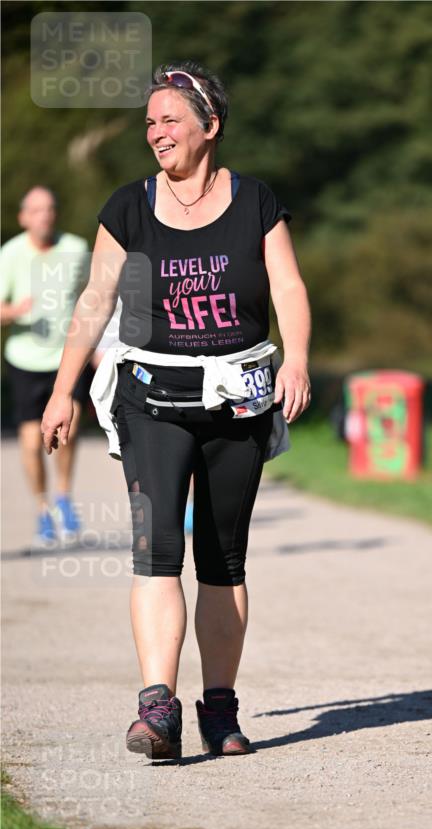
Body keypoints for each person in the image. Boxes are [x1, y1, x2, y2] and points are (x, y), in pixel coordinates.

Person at [41, 61, 311, 759]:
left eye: (170, 119)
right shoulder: (128, 207)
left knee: (222, 559)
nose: (156, 132)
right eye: (149, 122)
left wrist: (298, 359)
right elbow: (96, 300)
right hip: (151, 399)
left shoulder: (255, 201)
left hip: (238, 401)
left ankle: (219, 710)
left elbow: (286, 286)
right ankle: (157, 710)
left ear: (209, 126)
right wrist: (63, 389)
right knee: (157, 548)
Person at [1, 187, 91, 546]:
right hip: (25, 359)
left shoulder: (76, 248)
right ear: (23, 217)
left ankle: (64, 498)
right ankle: (42, 510)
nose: (45, 215)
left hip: (66, 357)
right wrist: (14, 311)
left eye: (50, 208)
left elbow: (95, 297)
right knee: (29, 441)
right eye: (37, 210)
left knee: (69, 429)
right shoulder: (10, 254)